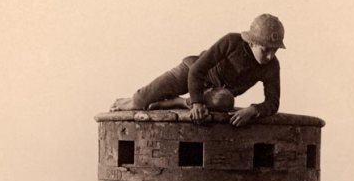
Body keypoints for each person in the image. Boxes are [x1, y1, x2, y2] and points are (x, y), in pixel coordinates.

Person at [110, 14, 285, 127]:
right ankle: (132, 100)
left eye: (274, 50)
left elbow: (273, 102)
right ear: (252, 42)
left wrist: (253, 110)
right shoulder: (232, 41)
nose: (270, 56)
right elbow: (197, 70)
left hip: (215, 93)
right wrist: (197, 104)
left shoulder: (272, 66)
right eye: (265, 50)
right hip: (191, 72)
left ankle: (179, 102)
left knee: (225, 101)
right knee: (140, 101)